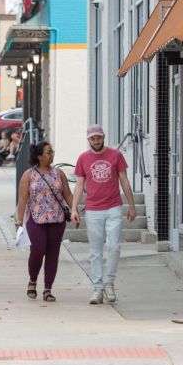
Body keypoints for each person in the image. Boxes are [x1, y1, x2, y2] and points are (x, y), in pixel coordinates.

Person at [70, 124, 136, 305]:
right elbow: (79, 185)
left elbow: (124, 180)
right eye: (93, 138)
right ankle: (97, 288)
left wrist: (131, 206)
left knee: (114, 246)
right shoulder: (83, 158)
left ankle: (109, 283)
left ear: (103, 137)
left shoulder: (116, 155)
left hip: (113, 207)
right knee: (95, 251)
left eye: (98, 137)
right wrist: (74, 209)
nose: (96, 141)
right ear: (88, 139)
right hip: (92, 209)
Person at [16, 141, 74, 302]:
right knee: (38, 250)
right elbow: (22, 199)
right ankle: (32, 280)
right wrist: (19, 220)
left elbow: (68, 195)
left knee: (53, 254)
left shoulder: (59, 173)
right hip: (36, 219)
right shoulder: (28, 175)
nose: (52, 155)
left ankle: (48, 289)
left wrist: (75, 210)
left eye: (52, 152)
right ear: (40, 156)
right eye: (49, 152)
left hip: (57, 219)